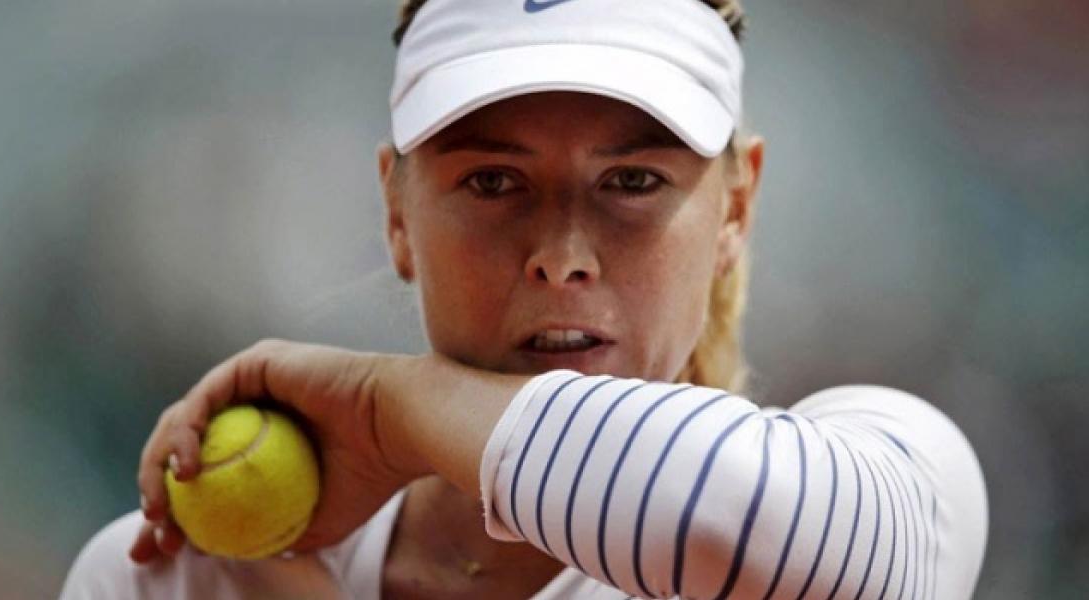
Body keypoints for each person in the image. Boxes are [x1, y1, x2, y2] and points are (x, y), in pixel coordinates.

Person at [61, 0, 988, 598]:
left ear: (737, 207)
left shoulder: (899, 465)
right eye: (493, 183)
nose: (561, 258)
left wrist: (391, 408)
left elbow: (822, 547)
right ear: (397, 213)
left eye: (632, 182)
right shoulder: (167, 580)